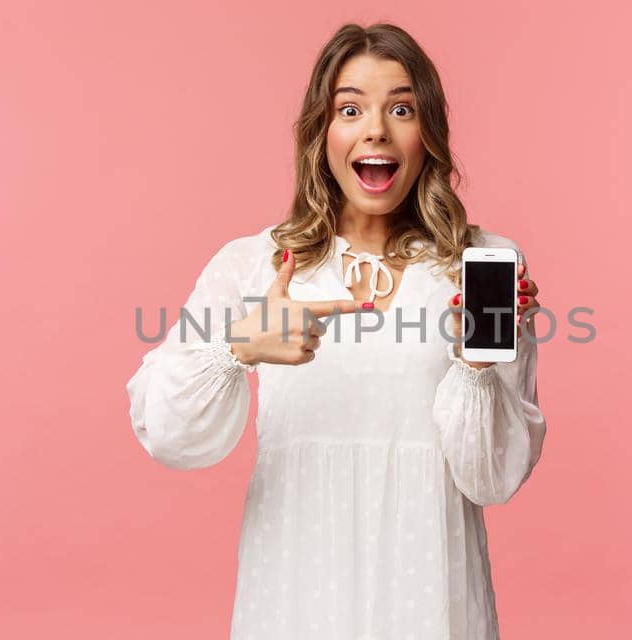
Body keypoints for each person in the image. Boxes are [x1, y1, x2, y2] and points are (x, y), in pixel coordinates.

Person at [125, 22, 548, 640]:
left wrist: (475, 363)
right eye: (350, 108)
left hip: (429, 585)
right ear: (321, 134)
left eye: (401, 108)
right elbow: (165, 431)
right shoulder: (256, 264)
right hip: (298, 585)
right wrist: (238, 346)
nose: (375, 128)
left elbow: (491, 477)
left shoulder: (478, 264)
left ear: (428, 131)